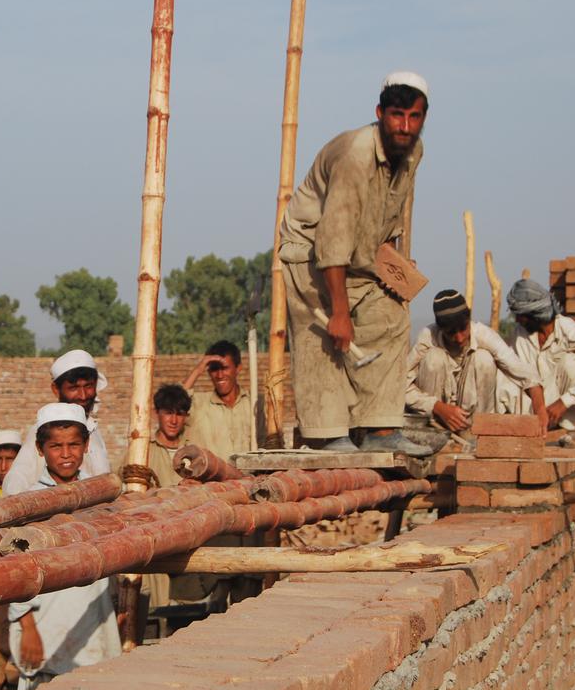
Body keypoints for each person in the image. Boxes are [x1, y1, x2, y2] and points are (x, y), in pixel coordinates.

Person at [277, 70, 433, 457]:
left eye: (414, 117)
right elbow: (332, 239)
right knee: (326, 337)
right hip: (312, 253)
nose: (405, 126)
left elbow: (389, 214)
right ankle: (330, 436)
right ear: (380, 113)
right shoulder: (354, 155)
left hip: (361, 256)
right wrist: (341, 312)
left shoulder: (414, 152)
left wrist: (394, 266)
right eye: (397, 115)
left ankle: (380, 430)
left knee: (391, 318)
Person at [4, 403, 121, 690]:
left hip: (93, 615)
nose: (66, 454)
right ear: (40, 449)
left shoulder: (100, 498)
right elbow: (16, 570)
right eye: (56, 446)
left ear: (86, 446)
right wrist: (27, 627)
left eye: (74, 445)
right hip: (45, 620)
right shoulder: (28, 502)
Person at [406, 289, 546, 433]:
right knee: (433, 358)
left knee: (483, 359)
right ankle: (433, 433)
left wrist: (540, 409)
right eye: (451, 333)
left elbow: (522, 372)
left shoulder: (483, 335)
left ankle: (476, 432)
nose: (459, 338)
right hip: (434, 420)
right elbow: (400, 386)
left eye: (463, 329)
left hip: (472, 422)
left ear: (469, 320)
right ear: (440, 329)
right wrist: (436, 406)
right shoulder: (428, 337)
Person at [500, 279, 575, 430]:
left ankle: (558, 426)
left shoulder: (569, 330)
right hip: (528, 408)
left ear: (535, 314)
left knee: (572, 363)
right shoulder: (519, 334)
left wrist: (564, 402)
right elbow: (525, 376)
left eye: (521, 316)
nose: (517, 320)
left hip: (559, 410)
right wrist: (539, 407)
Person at [0, 349, 110, 495]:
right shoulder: (42, 432)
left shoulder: (93, 429)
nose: (83, 396)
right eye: (74, 388)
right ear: (56, 390)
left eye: (88, 386)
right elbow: (15, 485)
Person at [181, 340, 254, 458]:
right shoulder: (199, 404)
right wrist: (198, 370)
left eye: (225, 368)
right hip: (213, 476)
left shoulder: (254, 403)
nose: (219, 375)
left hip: (250, 476)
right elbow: (173, 403)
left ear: (238, 368)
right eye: (214, 369)